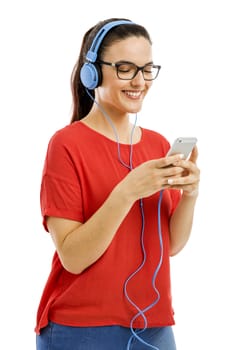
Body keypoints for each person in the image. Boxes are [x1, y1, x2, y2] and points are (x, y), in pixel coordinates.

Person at [35, 17, 200, 350]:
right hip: (81, 327)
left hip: (153, 324)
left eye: (147, 69)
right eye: (126, 68)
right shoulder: (66, 144)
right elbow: (73, 257)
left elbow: (167, 246)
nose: (139, 81)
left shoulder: (156, 145)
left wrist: (190, 195)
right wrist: (127, 191)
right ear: (91, 73)